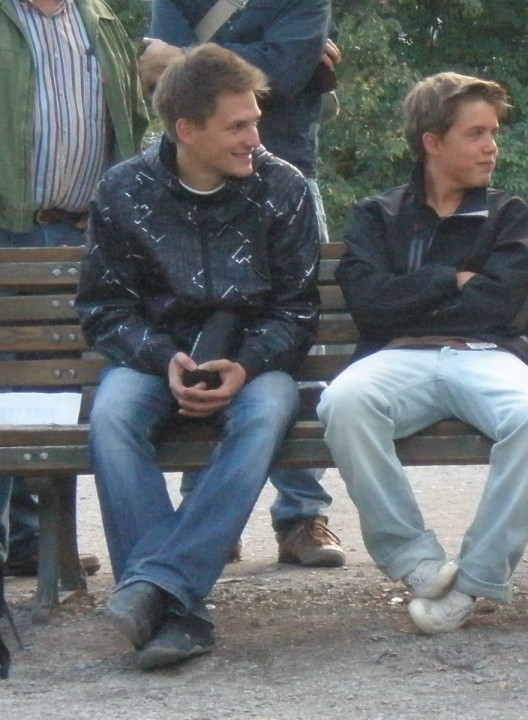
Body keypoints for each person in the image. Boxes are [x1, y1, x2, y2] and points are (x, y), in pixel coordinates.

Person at [76, 44, 322, 670]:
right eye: (237, 126)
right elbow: (104, 308)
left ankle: (153, 588)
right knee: (112, 415)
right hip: (153, 361)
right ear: (187, 129)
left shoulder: (284, 188)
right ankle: (177, 609)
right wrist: (163, 357)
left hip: (254, 364)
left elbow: (297, 309)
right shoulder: (124, 189)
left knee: (265, 414)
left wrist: (248, 362)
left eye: (255, 122)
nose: (254, 138)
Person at [316, 72, 528, 635]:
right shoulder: (378, 215)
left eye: (493, 133)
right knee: (343, 403)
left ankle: (474, 581)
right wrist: (450, 279)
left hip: (490, 353)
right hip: (398, 357)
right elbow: (368, 302)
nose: (491, 147)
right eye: (475, 134)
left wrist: (409, 297)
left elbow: (498, 304)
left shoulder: (511, 215)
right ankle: (415, 561)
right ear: (433, 141)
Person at [138, 0, 346, 568]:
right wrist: (257, 57)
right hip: (192, 183)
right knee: (197, 331)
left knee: (298, 341)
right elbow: (168, 81)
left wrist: (186, 61)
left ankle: (301, 515)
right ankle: (208, 513)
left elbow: (283, 70)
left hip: (286, 179)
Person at [0, 0, 147, 577]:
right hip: (6, 230)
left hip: (77, 234)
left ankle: (36, 543)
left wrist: (111, 210)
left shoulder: (100, 19)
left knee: (54, 387)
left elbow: (129, 121)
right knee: (4, 384)